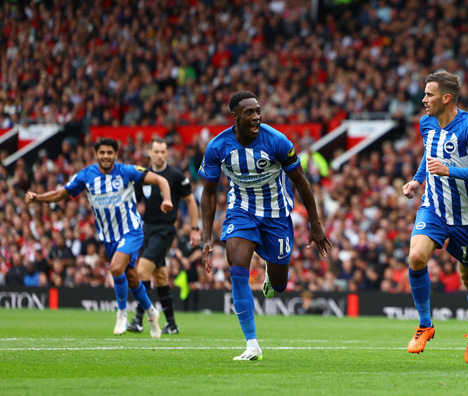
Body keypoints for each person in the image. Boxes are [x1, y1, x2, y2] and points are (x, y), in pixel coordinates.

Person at [199, 90, 332, 361]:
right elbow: (209, 192)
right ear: (235, 116)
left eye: (258, 111)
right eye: (250, 112)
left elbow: (301, 181)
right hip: (241, 211)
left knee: (280, 285)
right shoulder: (218, 147)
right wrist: (206, 236)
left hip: (276, 215)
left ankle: (272, 277)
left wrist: (315, 224)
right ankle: (252, 344)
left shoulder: (277, 141)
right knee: (237, 269)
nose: (257, 116)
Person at [25, 138, 173, 338]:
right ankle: (151, 312)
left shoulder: (126, 171)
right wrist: (38, 198)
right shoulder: (86, 175)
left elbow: (160, 179)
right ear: (96, 154)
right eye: (102, 152)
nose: (105, 156)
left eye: (109, 152)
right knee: (131, 278)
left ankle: (121, 314)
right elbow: (61, 194)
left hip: (132, 230)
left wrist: (167, 199)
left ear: (115, 154)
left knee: (115, 268)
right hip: (109, 237)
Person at [402, 71, 468, 365]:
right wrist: (418, 180)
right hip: (434, 208)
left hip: (467, 218)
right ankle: (425, 324)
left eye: (428, 95)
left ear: (446, 98)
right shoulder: (426, 122)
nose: (423, 100)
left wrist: (449, 170)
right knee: (416, 257)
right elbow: (429, 154)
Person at [127, 137, 201, 335]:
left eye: (163, 151)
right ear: (149, 153)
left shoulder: (175, 175)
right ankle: (172, 324)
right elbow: (133, 201)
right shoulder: (143, 175)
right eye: (156, 151)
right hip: (147, 230)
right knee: (160, 276)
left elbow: (191, 202)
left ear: (166, 153)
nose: (160, 155)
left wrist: (195, 228)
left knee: (141, 271)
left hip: (165, 230)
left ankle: (139, 319)